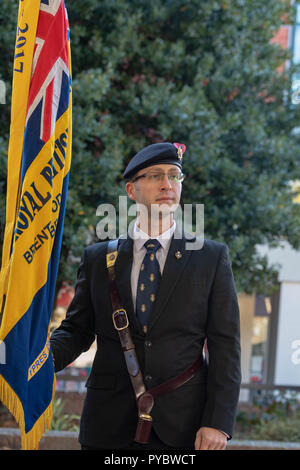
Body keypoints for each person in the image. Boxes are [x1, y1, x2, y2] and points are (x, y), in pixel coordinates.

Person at [50, 142, 241, 450]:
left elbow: (225, 347)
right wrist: (36, 360)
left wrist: (218, 421)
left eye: (174, 176)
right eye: (155, 175)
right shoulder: (99, 258)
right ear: (131, 190)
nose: (167, 184)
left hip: (184, 427)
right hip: (108, 425)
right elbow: (76, 331)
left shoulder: (210, 257)